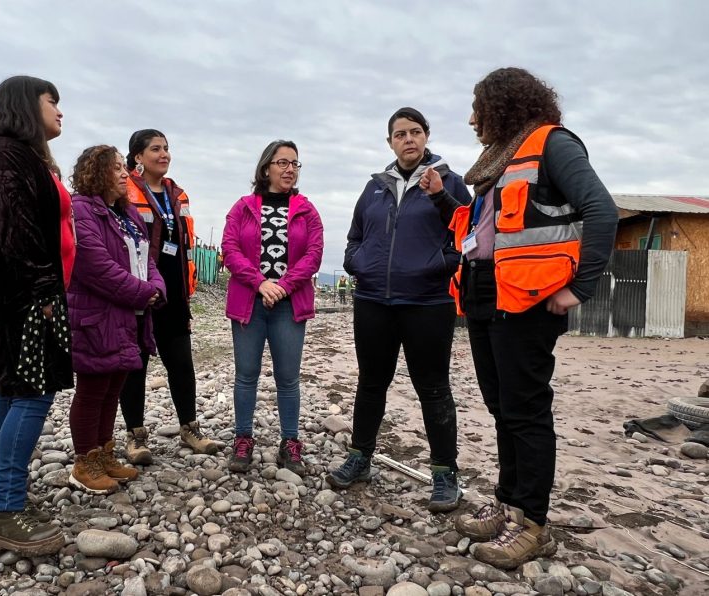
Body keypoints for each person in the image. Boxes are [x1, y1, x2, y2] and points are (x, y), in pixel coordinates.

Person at [421, 67, 617, 568]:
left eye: (477, 108)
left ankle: (533, 523)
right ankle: (508, 503)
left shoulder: (553, 144)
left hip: (528, 299)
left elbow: (601, 210)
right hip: (487, 292)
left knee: (526, 410)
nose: (470, 119)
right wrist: (443, 199)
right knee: (502, 406)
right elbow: (483, 229)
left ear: (502, 106)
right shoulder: (496, 163)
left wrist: (580, 287)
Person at [327, 107, 472, 514]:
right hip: (374, 301)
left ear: (426, 136)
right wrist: (359, 264)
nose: (407, 139)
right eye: (399, 134)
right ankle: (360, 458)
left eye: (414, 132)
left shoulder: (451, 183)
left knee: (433, 388)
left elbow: (469, 235)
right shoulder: (374, 187)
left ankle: (445, 474)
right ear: (390, 142)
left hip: (428, 302)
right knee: (371, 382)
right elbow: (355, 236)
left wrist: (438, 266)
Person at [0, 75, 70, 556]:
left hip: (9, 291)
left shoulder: (14, 155)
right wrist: (44, 290)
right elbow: (16, 231)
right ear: (27, 105)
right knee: (32, 390)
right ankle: (5, 508)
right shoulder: (7, 154)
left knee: (12, 386)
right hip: (18, 293)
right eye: (53, 102)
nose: (60, 111)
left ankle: (9, 494)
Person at [66, 145, 166, 493]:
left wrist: (155, 287)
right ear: (96, 172)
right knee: (93, 389)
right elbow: (94, 265)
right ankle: (84, 461)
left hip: (129, 315)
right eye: (117, 169)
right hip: (97, 315)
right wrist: (143, 293)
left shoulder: (126, 213)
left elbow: (149, 258)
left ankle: (105, 453)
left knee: (113, 388)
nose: (125, 174)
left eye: (125, 168)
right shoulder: (81, 210)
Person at [222, 140, 323, 475]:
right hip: (249, 303)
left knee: (288, 378)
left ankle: (290, 442)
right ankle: (243, 438)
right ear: (266, 168)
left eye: (295, 163)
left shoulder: (307, 210)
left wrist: (282, 285)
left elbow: (313, 255)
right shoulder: (243, 207)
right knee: (246, 375)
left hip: (288, 305)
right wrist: (260, 282)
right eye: (282, 162)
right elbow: (230, 248)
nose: (290, 169)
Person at [119, 129, 217, 464]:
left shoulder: (178, 194)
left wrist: (186, 290)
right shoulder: (125, 191)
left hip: (174, 293)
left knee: (181, 362)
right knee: (136, 365)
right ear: (137, 157)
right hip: (139, 293)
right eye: (156, 149)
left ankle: (190, 427)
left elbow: (184, 244)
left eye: (167, 148)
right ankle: (135, 436)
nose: (164, 154)